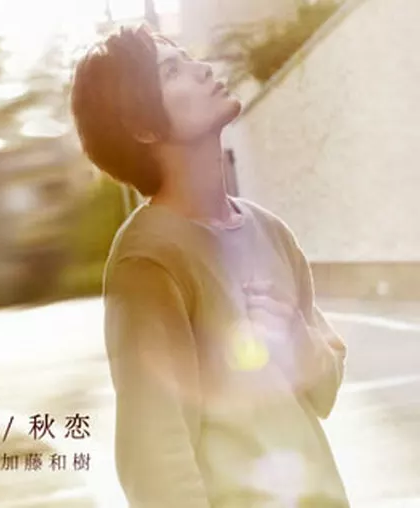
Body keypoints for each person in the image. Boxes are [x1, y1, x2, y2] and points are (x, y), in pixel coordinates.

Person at [70, 23, 350, 508]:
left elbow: (324, 390)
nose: (201, 69)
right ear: (142, 127)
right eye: (171, 71)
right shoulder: (148, 260)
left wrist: (294, 333)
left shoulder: (270, 231)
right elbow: (153, 458)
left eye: (187, 58)